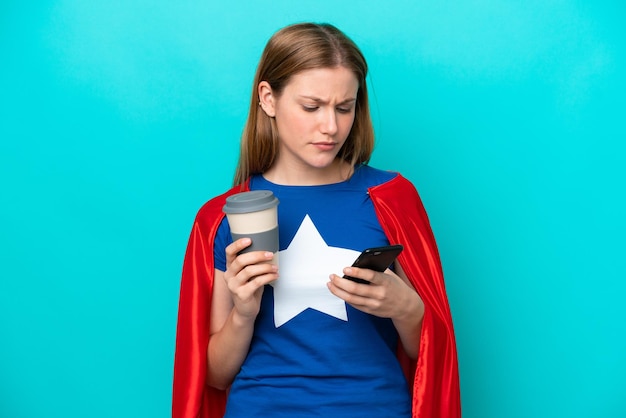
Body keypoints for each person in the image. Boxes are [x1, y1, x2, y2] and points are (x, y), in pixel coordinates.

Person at [173, 22, 460, 418]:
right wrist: (244, 310)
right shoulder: (222, 217)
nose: (331, 127)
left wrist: (407, 309)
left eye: (345, 107)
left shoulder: (391, 199)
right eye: (311, 107)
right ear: (268, 99)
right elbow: (215, 377)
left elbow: (429, 358)